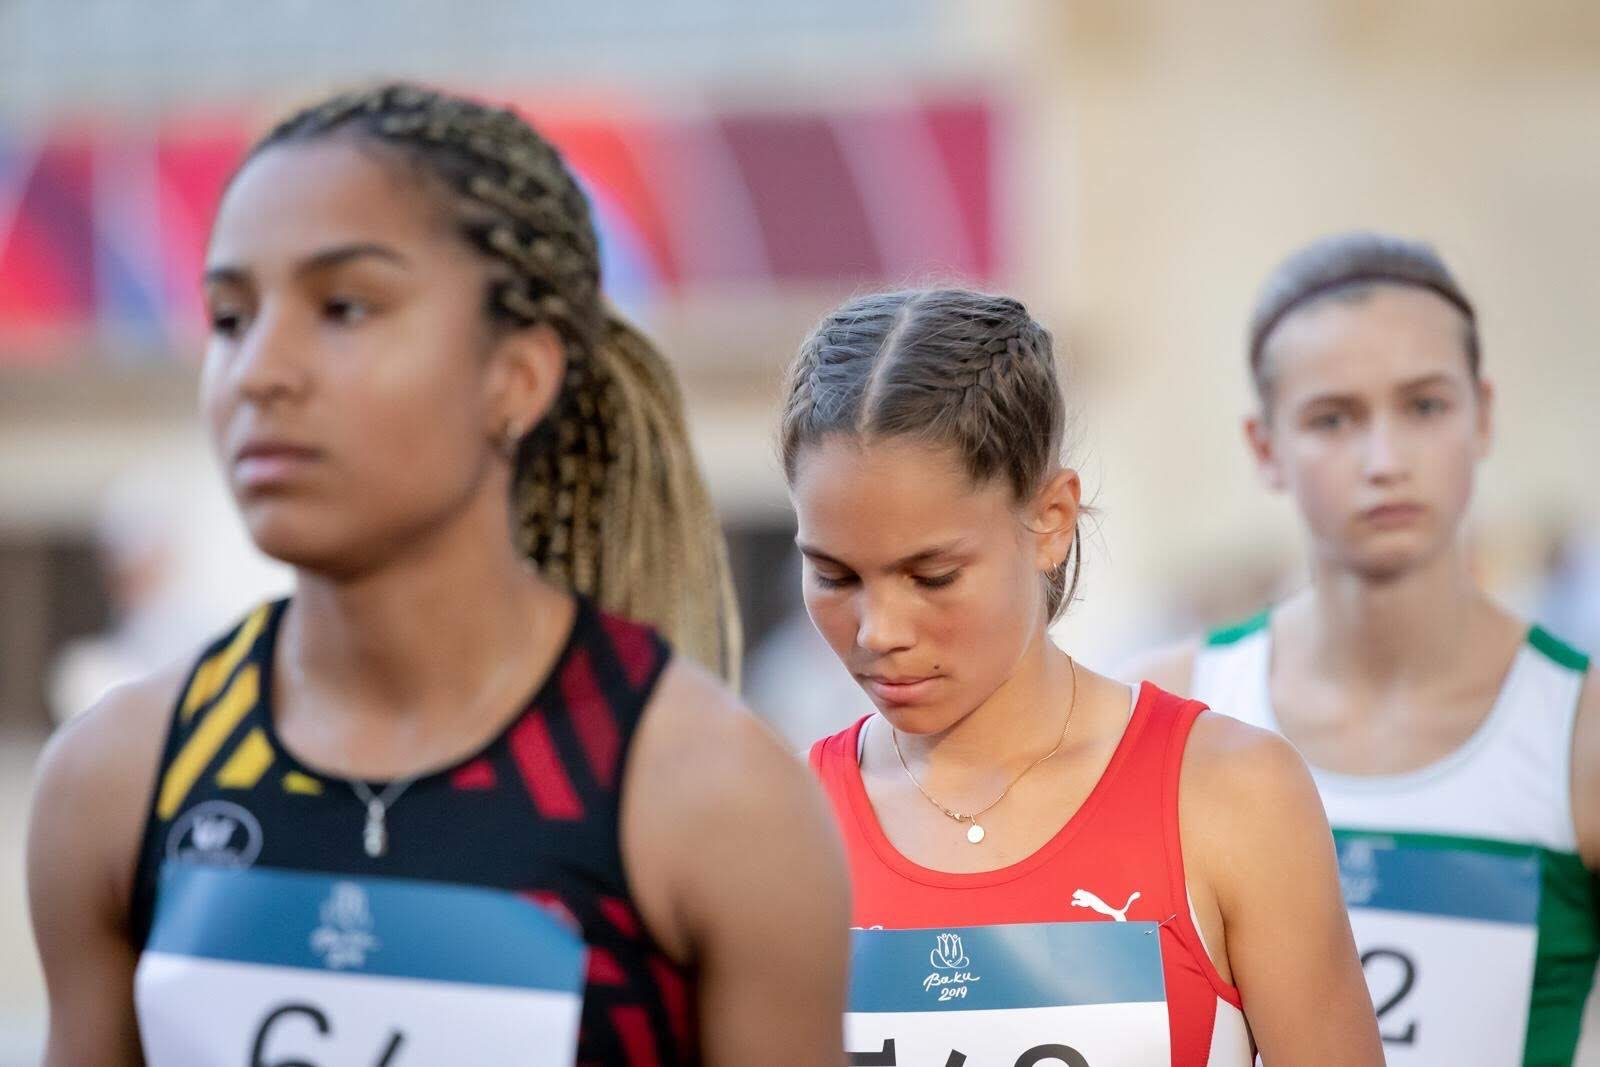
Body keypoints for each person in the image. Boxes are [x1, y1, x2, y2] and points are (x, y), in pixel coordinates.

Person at [28, 83, 849, 1067]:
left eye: (344, 305)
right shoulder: (114, 780)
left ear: (518, 376)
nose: (259, 371)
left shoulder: (715, 799)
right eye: (230, 316)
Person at [784, 288, 1381, 1065]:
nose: (879, 631)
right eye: (833, 575)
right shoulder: (786, 827)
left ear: (1051, 520)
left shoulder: (1231, 796)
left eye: (931, 575)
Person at [1128, 232, 1600, 1065]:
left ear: (1483, 414)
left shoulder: (1580, 731)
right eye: (1333, 418)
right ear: (1264, 446)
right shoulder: (1160, 711)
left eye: (1424, 405)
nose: (1384, 460)